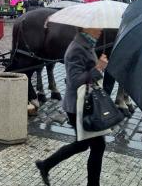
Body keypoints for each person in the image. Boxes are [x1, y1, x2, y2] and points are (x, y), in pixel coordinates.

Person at [35, 28, 108, 186]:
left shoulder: (88, 45)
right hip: (77, 106)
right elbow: (74, 81)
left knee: (83, 144)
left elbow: (87, 71)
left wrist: (98, 66)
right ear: (86, 28)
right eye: (97, 26)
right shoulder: (76, 49)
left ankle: (45, 165)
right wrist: (98, 68)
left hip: (86, 102)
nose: (101, 29)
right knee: (98, 145)